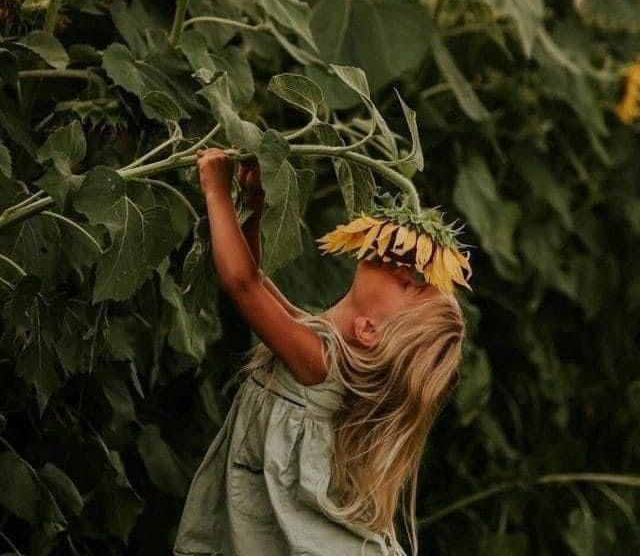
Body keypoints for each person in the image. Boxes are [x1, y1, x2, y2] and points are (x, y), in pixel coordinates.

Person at [173, 148, 466, 556]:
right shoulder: (313, 345)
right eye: (419, 278)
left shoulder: (317, 362)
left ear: (368, 331)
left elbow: (242, 285)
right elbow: (256, 278)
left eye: (410, 286)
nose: (408, 268)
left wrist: (216, 189)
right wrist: (253, 208)